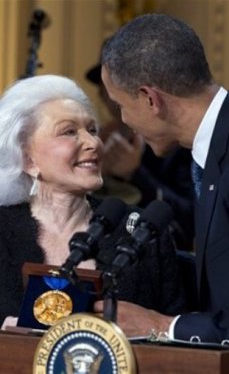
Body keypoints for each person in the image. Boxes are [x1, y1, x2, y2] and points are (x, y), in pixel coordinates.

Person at [93, 13, 229, 349]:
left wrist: (163, 325)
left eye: (121, 105)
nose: (123, 120)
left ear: (151, 99)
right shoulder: (228, 143)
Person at [0, 74, 187, 328]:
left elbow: (177, 336)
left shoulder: (141, 232)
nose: (93, 143)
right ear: (27, 159)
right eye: (68, 132)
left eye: (91, 130)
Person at [86, 62, 195, 250]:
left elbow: (189, 216)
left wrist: (135, 173)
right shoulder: (92, 141)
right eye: (108, 87)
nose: (115, 96)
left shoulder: (181, 144)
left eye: (123, 86)